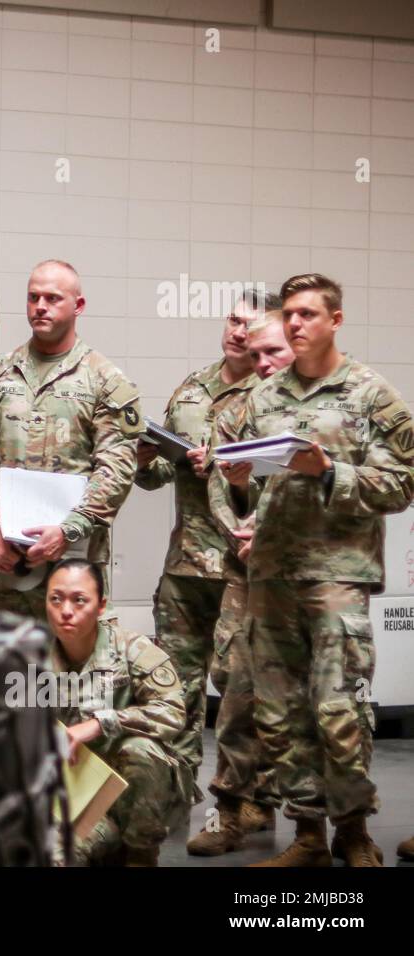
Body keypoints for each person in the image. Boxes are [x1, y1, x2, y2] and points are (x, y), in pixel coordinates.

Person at [217, 273, 414, 867]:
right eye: (290, 315)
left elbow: (402, 485)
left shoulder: (370, 394)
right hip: (272, 577)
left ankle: (352, 831)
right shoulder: (263, 398)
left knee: (339, 711)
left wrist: (329, 470)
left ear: (335, 320)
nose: (296, 324)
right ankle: (307, 838)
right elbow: (250, 489)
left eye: (308, 314)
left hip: (337, 578)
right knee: (279, 714)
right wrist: (241, 490)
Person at [133, 290, 278, 790]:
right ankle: (176, 790)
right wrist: (146, 457)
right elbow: (154, 479)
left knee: (239, 686)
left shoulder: (273, 395)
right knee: (174, 682)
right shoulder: (193, 388)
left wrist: (219, 467)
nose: (239, 332)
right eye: (234, 320)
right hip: (185, 564)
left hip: (241, 565)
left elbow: (280, 486)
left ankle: (246, 798)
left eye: (252, 326)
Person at [0, 259, 145, 619]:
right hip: (0, 564)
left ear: (78, 306)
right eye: (33, 297)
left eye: (53, 298)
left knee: (68, 670)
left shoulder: (105, 381)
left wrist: (68, 530)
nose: (40, 307)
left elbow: (116, 469)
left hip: (73, 560)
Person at [186, 312, 297, 855]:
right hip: (245, 568)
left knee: (314, 697)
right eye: (256, 355)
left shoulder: (332, 407)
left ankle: (316, 820)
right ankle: (230, 808)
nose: (264, 364)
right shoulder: (244, 411)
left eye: (273, 352)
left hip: (307, 574)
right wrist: (240, 513)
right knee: (233, 682)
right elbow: (222, 489)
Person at [45, 559, 189, 867]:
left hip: (131, 794)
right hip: (74, 799)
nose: (66, 610)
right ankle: (103, 846)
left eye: (79, 600)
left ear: (101, 606)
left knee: (142, 749)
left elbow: (172, 713)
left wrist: (101, 723)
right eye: (55, 599)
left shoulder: (132, 650)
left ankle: (140, 855)